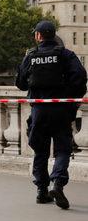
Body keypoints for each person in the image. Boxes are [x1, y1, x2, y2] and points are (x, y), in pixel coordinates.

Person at [16, 20, 87, 209]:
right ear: (54, 36)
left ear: (38, 36)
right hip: (61, 110)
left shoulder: (30, 56)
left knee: (40, 150)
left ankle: (41, 191)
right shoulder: (65, 55)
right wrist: (69, 97)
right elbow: (80, 78)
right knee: (63, 149)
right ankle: (58, 184)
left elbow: (21, 83)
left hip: (39, 110)